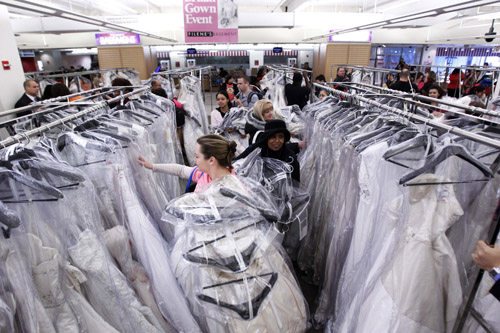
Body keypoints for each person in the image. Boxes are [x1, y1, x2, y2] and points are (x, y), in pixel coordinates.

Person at [137, 134, 237, 193]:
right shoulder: (205, 174)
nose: (194, 159)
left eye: (197, 156)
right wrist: (152, 166)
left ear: (211, 160)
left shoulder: (231, 189)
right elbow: (180, 170)